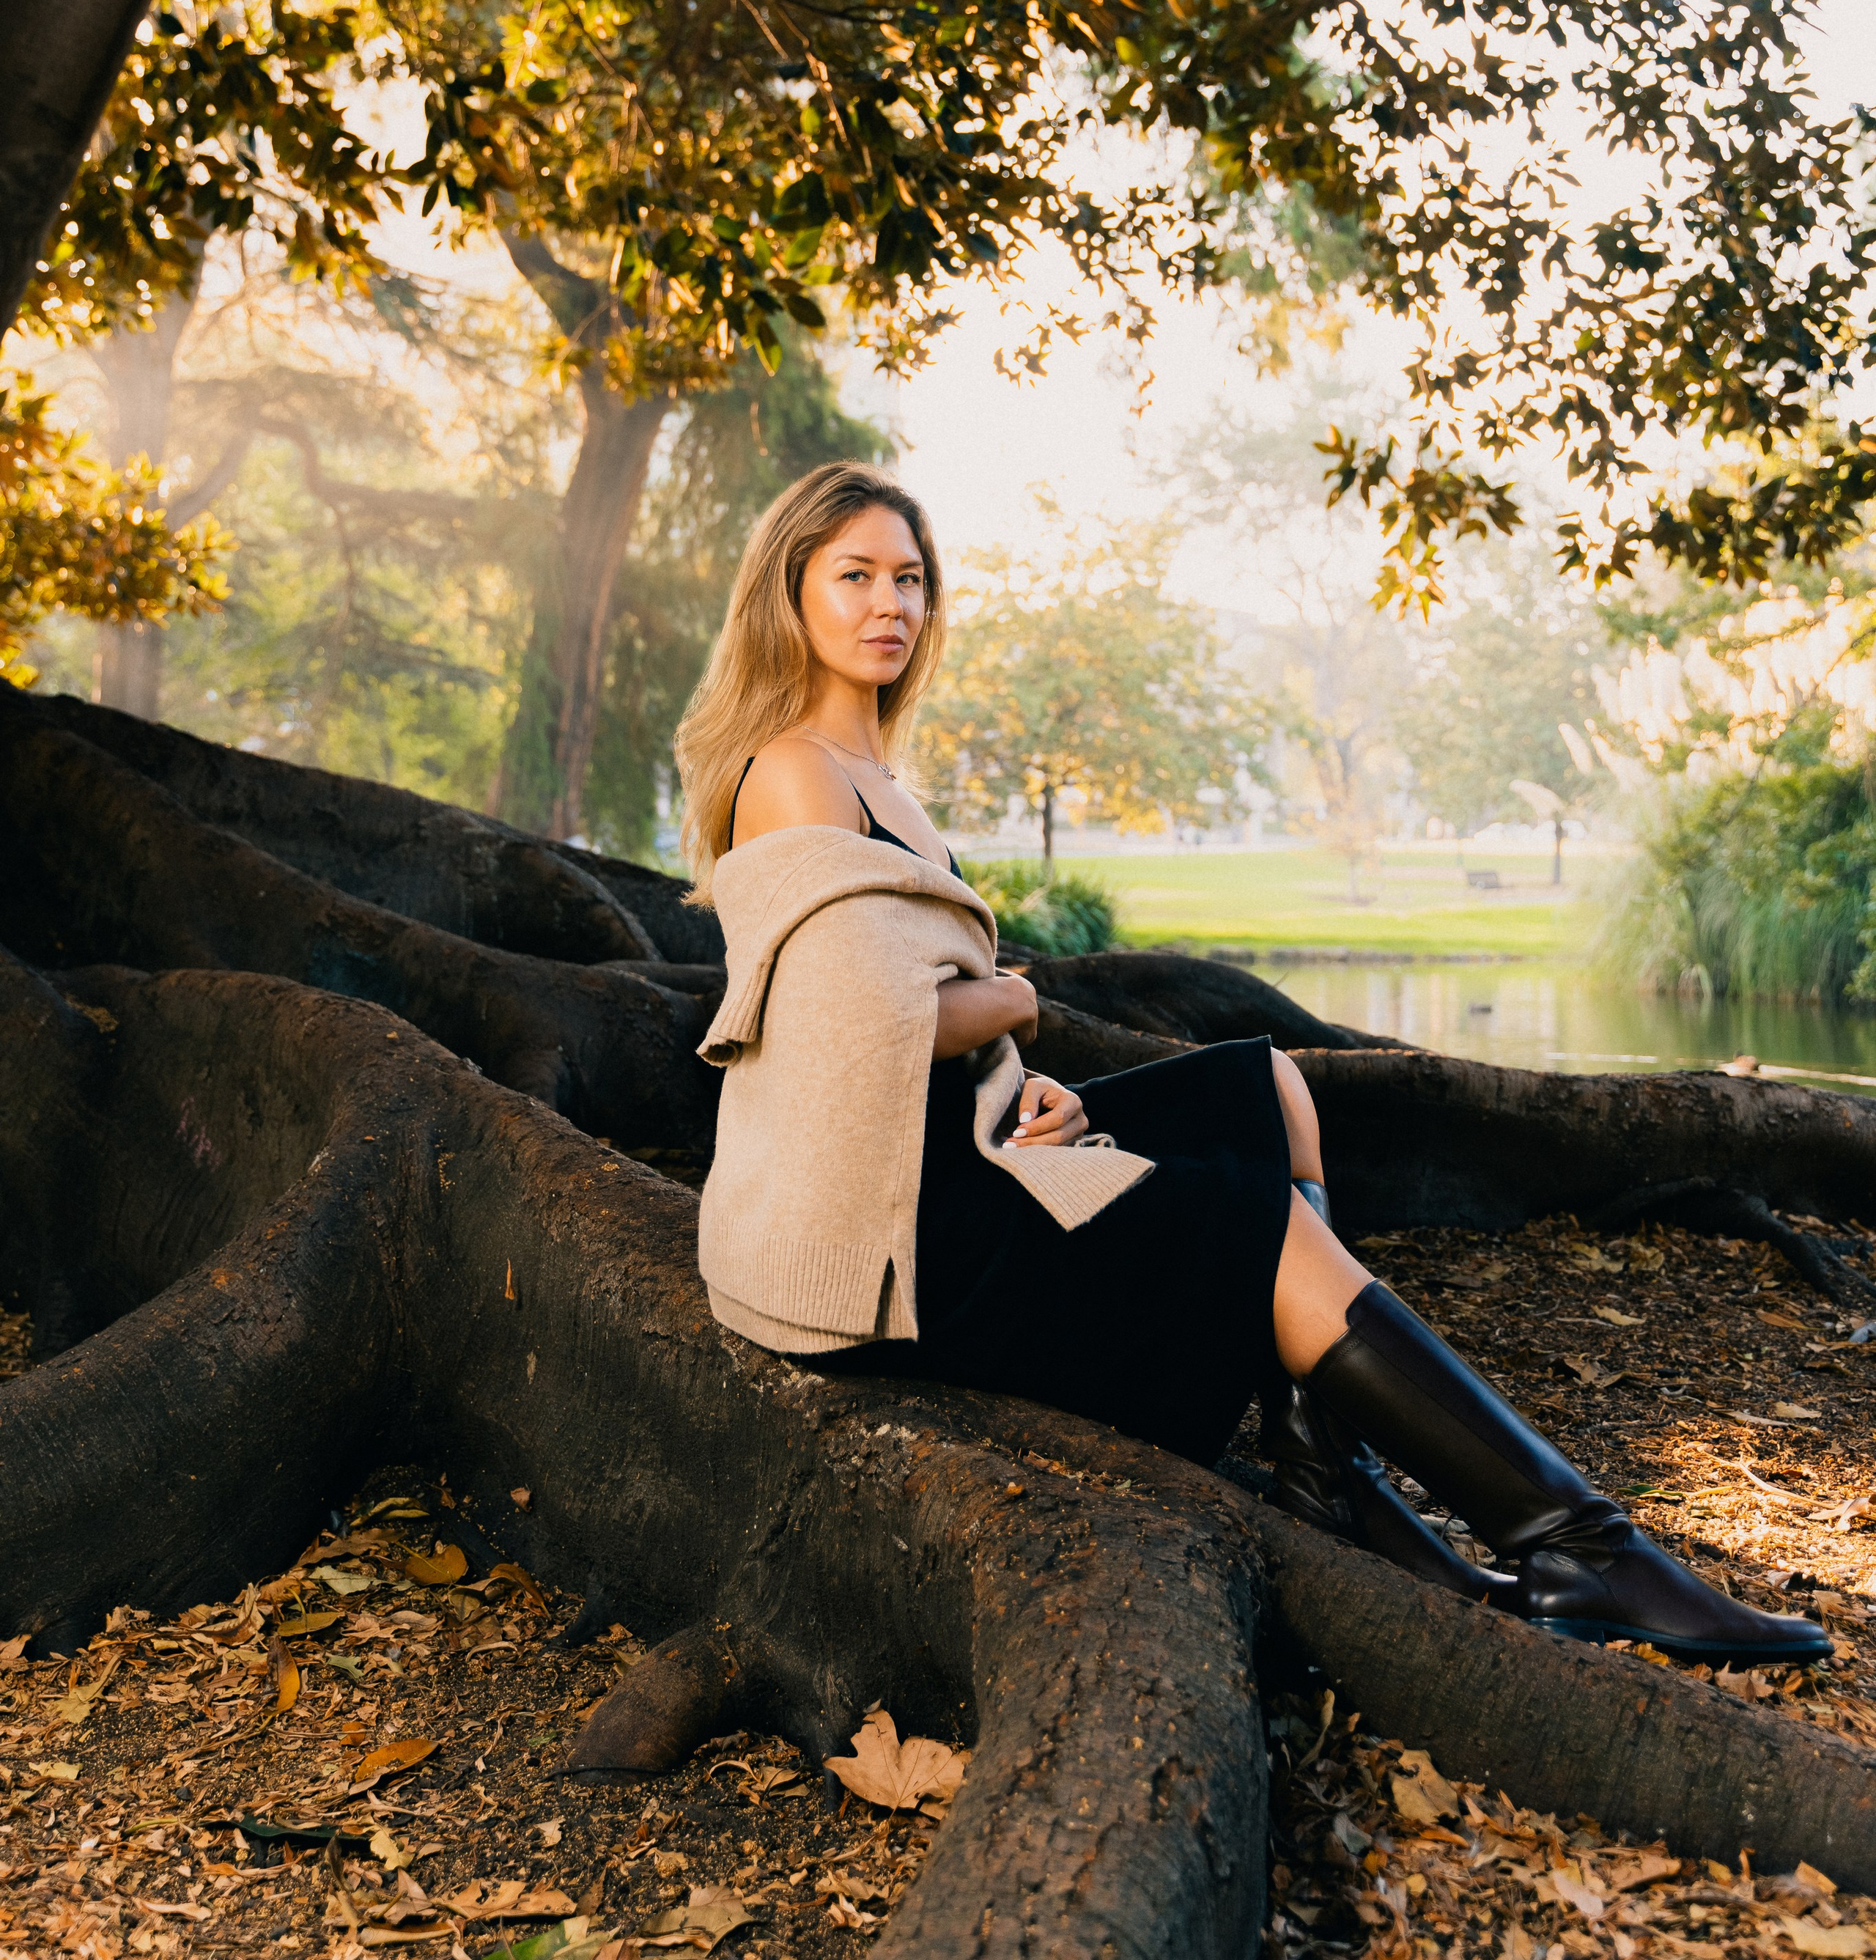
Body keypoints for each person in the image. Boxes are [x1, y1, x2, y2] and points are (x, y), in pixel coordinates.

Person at [675, 463, 1828, 1668]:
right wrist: (1018, 999)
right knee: (1257, 1226)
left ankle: (1327, 1474)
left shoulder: (883, 783)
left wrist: (1027, 1089)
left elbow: (913, 1019)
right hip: (891, 1241)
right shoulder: (795, 770)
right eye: (853, 576)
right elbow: (860, 1027)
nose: (888, 603)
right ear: (789, 594)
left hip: (948, 1150)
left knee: (1264, 1084)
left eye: (907, 577)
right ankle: (1584, 1550)